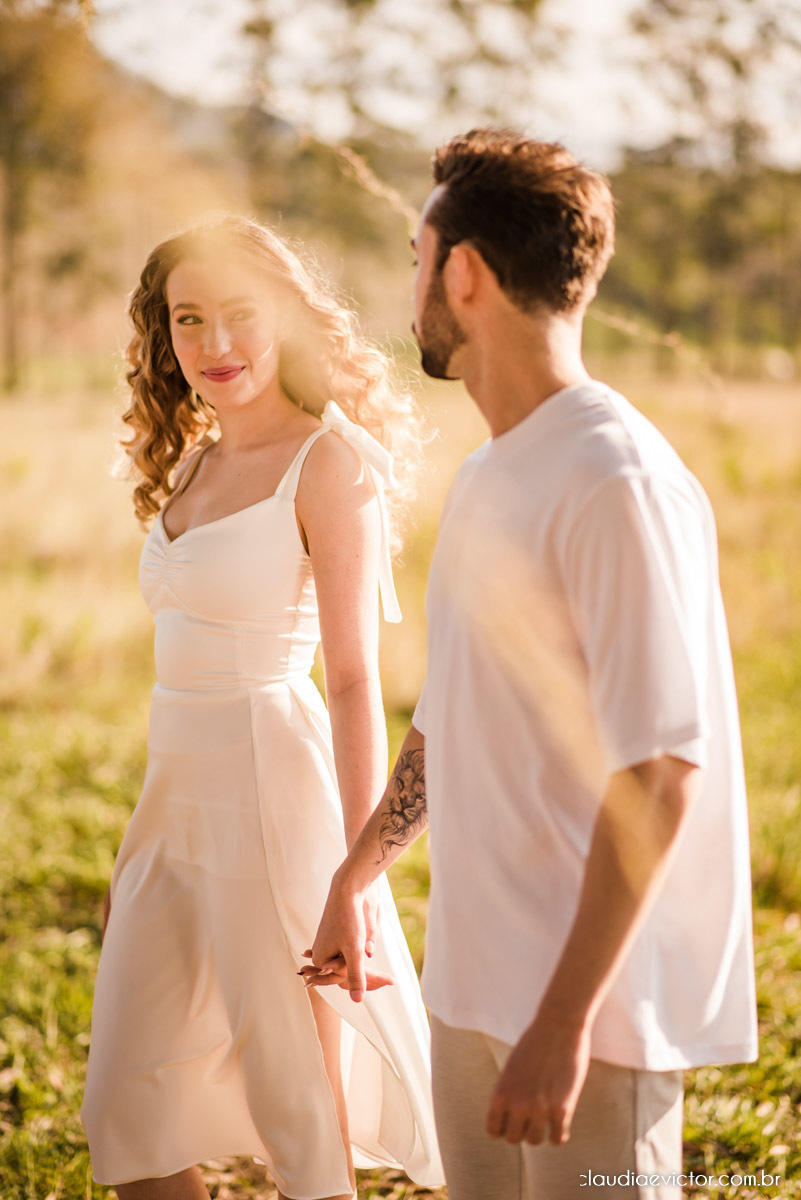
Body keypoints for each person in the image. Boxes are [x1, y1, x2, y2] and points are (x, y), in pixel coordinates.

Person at [305, 129, 758, 1200]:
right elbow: (449, 722)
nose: (409, 282)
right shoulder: (485, 477)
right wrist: (356, 875)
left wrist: (564, 1025)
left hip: (590, 1023)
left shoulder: (617, 480)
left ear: (463, 273)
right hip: (474, 990)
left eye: (419, 257)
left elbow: (659, 773)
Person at [80, 215, 444, 1200]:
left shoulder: (328, 463)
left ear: (285, 312)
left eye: (238, 314)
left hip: (274, 792)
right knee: (125, 1104)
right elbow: (180, 673)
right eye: (187, 320)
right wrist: (142, 845)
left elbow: (355, 681)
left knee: (298, 1114)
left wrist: (356, 877)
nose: (215, 345)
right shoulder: (192, 460)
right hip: (174, 807)